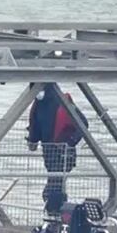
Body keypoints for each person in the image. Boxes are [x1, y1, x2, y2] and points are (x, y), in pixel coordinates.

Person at [27, 84, 86, 215]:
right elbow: (35, 126)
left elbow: (83, 123)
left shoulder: (62, 102)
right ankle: (56, 214)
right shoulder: (38, 105)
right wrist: (32, 140)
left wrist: (70, 142)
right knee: (55, 186)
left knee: (54, 188)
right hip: (49, 154)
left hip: (64, 154)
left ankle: (56, 214)